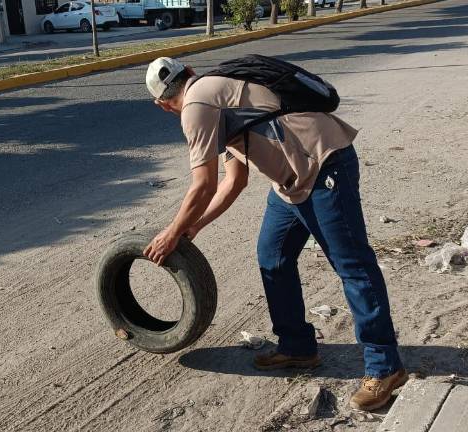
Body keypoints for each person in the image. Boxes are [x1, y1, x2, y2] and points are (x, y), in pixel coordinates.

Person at [141, 56, 407, 411]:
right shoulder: (216, 95)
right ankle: (297, 347)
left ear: (162, 105)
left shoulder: (197, 105)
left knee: (354, 267)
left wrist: (171, 233)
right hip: (291, 183)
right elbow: (234, 182)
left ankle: (385, 367)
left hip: (323, 166)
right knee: (273, 256)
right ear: (189, 71)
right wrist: (192, 226)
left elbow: (203, 185)